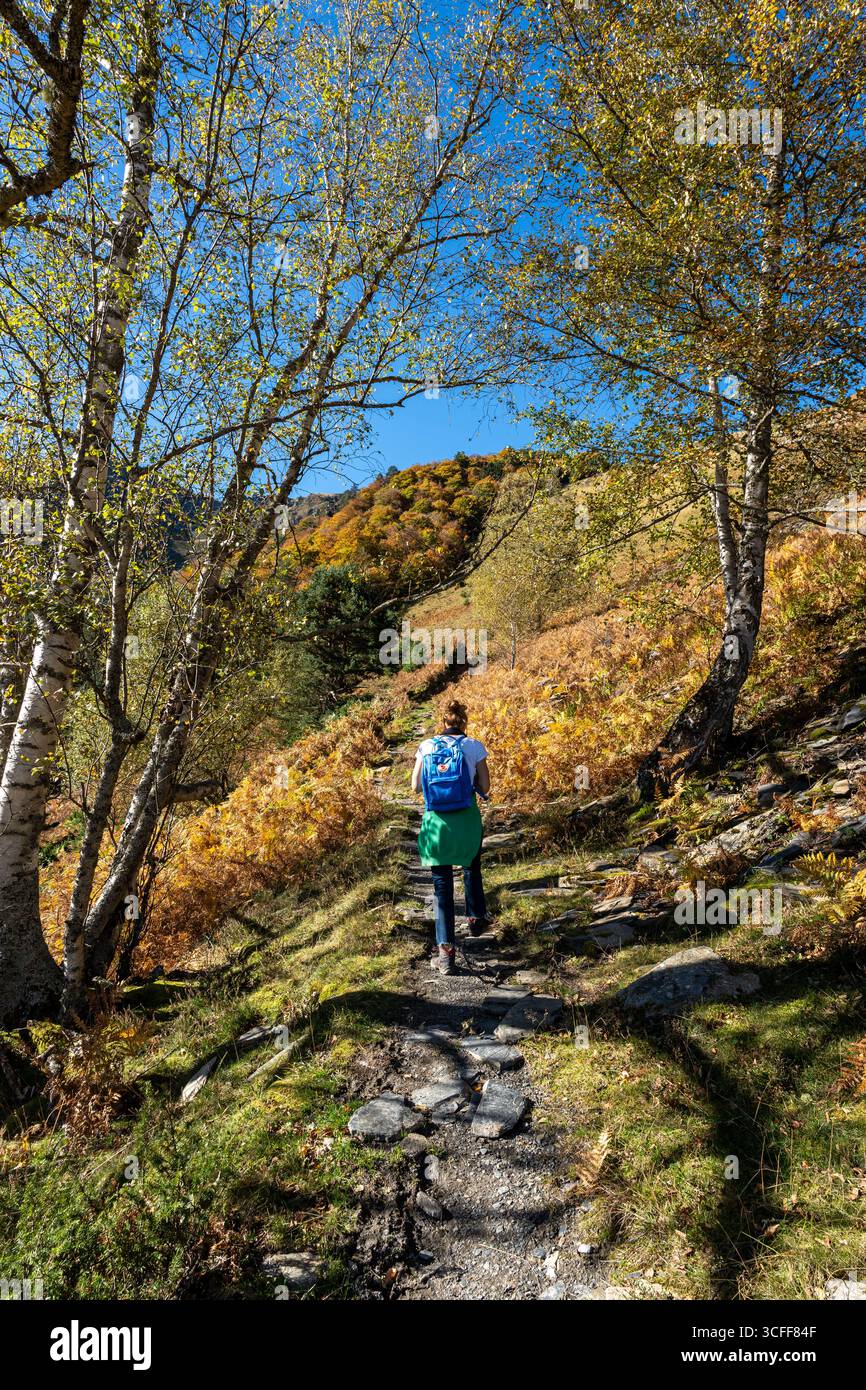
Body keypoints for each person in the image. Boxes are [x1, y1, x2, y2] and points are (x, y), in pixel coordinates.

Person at [411, 697, 492, 975]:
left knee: (441, 886)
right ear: (463, 720)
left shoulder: (427, 746)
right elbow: (486, 785)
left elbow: (414, 786)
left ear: (442, 721)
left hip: (436, 823)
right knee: (472, 866)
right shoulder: (473, 746)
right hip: (466, 819)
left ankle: (446, 954)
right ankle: (476, 917)